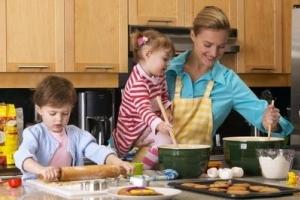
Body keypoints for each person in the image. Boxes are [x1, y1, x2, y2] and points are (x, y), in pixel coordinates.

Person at [165, 6, 294, 145]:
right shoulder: (165, 71)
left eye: (221, 46)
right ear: (193, 36)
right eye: (207, 45)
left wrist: (271, 121)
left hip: (198, 164)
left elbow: (272, 122)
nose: (214, 53)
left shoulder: (228, 81)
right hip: (152, 162)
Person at [14, 75, 133, 181]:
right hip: (35, 191)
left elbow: (98, 151)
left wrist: (118, 162)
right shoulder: (34, 133)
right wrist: (41, 170)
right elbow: (22, 156)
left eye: (65, 113)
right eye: (52, 113)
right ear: (39, 109)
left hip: (65, 190)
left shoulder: (76, 134)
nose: (59, 119)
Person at [113, 30, 175, 169]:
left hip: (146, 127)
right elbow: (144, 110)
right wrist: (159, 125)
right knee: (164, 140)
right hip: (133, 134)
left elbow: (164, 96)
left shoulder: (158, 76)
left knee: (167, 140)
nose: (167, 64)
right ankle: (137, 170)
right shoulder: (137, 82)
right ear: (148, 54)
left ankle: (145, 169)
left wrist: (167, 109)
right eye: (165, 59)